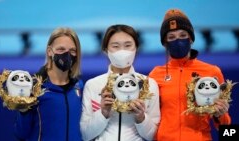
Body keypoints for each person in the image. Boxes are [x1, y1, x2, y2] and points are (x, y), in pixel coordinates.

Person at [149, 9, 231, 141]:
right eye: (171, 37)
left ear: (191, 39)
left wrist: (220, 115)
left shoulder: (212, 72)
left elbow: (227, 127)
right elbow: (150, 118)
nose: (178, 40)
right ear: (165, 43)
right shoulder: (155, 74)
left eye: (183, 35)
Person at [80, 24, 160, 141]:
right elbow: (85, 135)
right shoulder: (93, 85)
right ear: (106, 50)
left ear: (136, 48)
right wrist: (103, 114)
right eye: (115, 46)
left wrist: (141, 118)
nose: (122, 51)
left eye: (128, 45)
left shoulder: (149, 84)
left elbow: (154, 136)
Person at [14, 27, 84, 141]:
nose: (67, 55)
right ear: (49, 51)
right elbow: (21, 134)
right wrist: (23, 112)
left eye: (72, 50)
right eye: (61, 49)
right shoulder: (34, 87)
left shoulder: (79, 86)